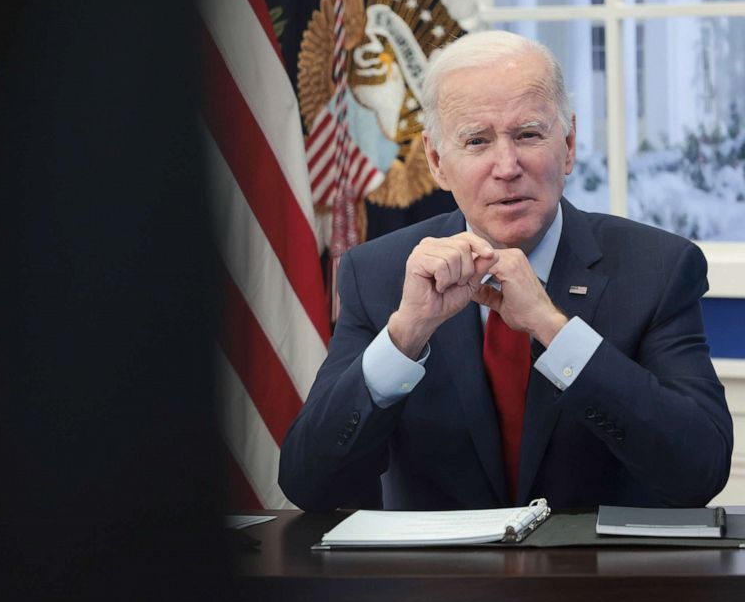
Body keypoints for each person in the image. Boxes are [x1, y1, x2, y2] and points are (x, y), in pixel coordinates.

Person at [279, 30, 733, 511]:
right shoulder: (378, 274)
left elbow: (698, 470)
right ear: (436, 161)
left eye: (528, 135)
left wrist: (554, 330)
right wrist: (404, 337)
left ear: (569, 145)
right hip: (437, 583)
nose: (507, 166)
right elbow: (308, 485)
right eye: (476, 141)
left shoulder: (656, 268)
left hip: (599, 581)